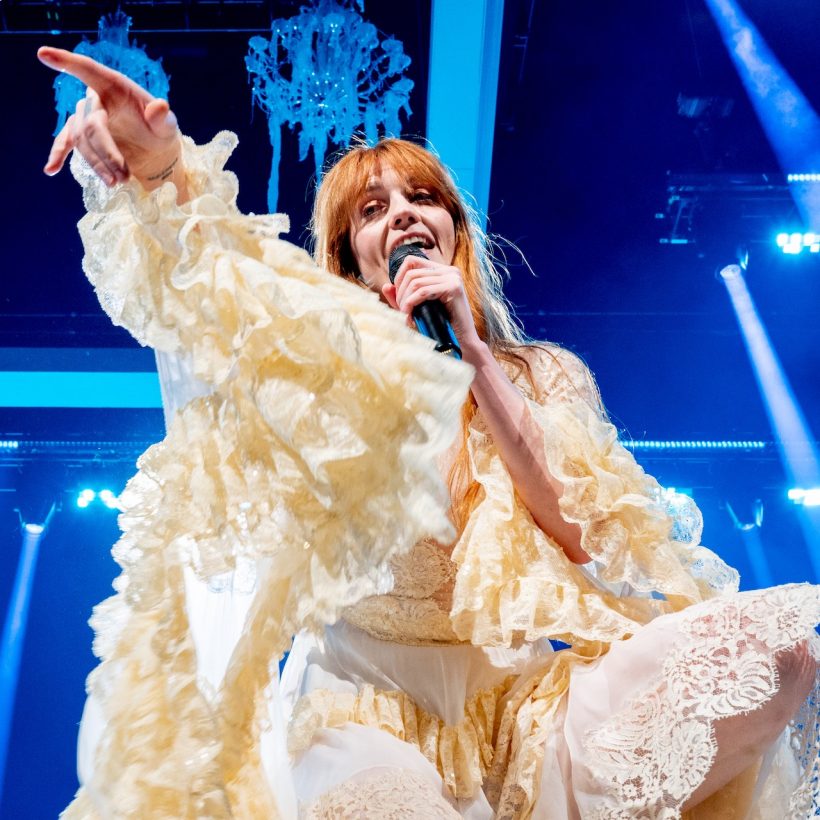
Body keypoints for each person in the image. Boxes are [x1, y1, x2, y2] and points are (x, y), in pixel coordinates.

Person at [38, 46, 820, 820]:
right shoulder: (314, 369)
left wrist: (473, 357)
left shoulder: (538, 374)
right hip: (357, 710)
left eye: (421, 198)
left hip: (516, 709)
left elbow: (584, 538)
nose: (404, 213)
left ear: (453, 231)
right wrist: (162, 172)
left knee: (779, 649)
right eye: (372, 211)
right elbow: (211, 292)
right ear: (353, 264)